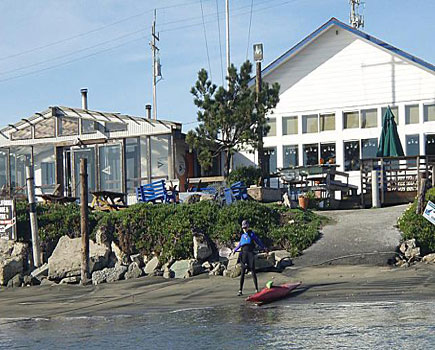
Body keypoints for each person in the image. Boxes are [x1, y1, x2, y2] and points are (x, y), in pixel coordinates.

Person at [233, 219, 267, 296]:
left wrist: (264, 247)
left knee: (253, 271)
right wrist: (235, 250)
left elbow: (258, 241)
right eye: (243, 228)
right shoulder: (242, 236)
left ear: (248, 226)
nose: (244, 229)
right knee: (242, 272)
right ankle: (240, 290)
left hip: (250, 254)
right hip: (243, 254)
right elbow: (240, 245)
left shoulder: (251, 234)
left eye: (246, 227)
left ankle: (256, 289)